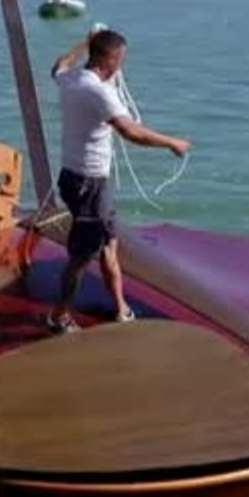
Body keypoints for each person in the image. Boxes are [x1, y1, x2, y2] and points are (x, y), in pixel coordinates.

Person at [47, 29, 191, 333]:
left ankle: (121, 308)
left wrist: (85, 43)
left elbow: (58, 65)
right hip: (88, 184)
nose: (122, 66)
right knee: (81, 256)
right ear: (110, 59)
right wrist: (172, 143)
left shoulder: (70, 78)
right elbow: (131, 132)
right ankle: (58, 315)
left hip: (86, 180)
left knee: (110, 245)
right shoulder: (99, 92)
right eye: (120, 60)